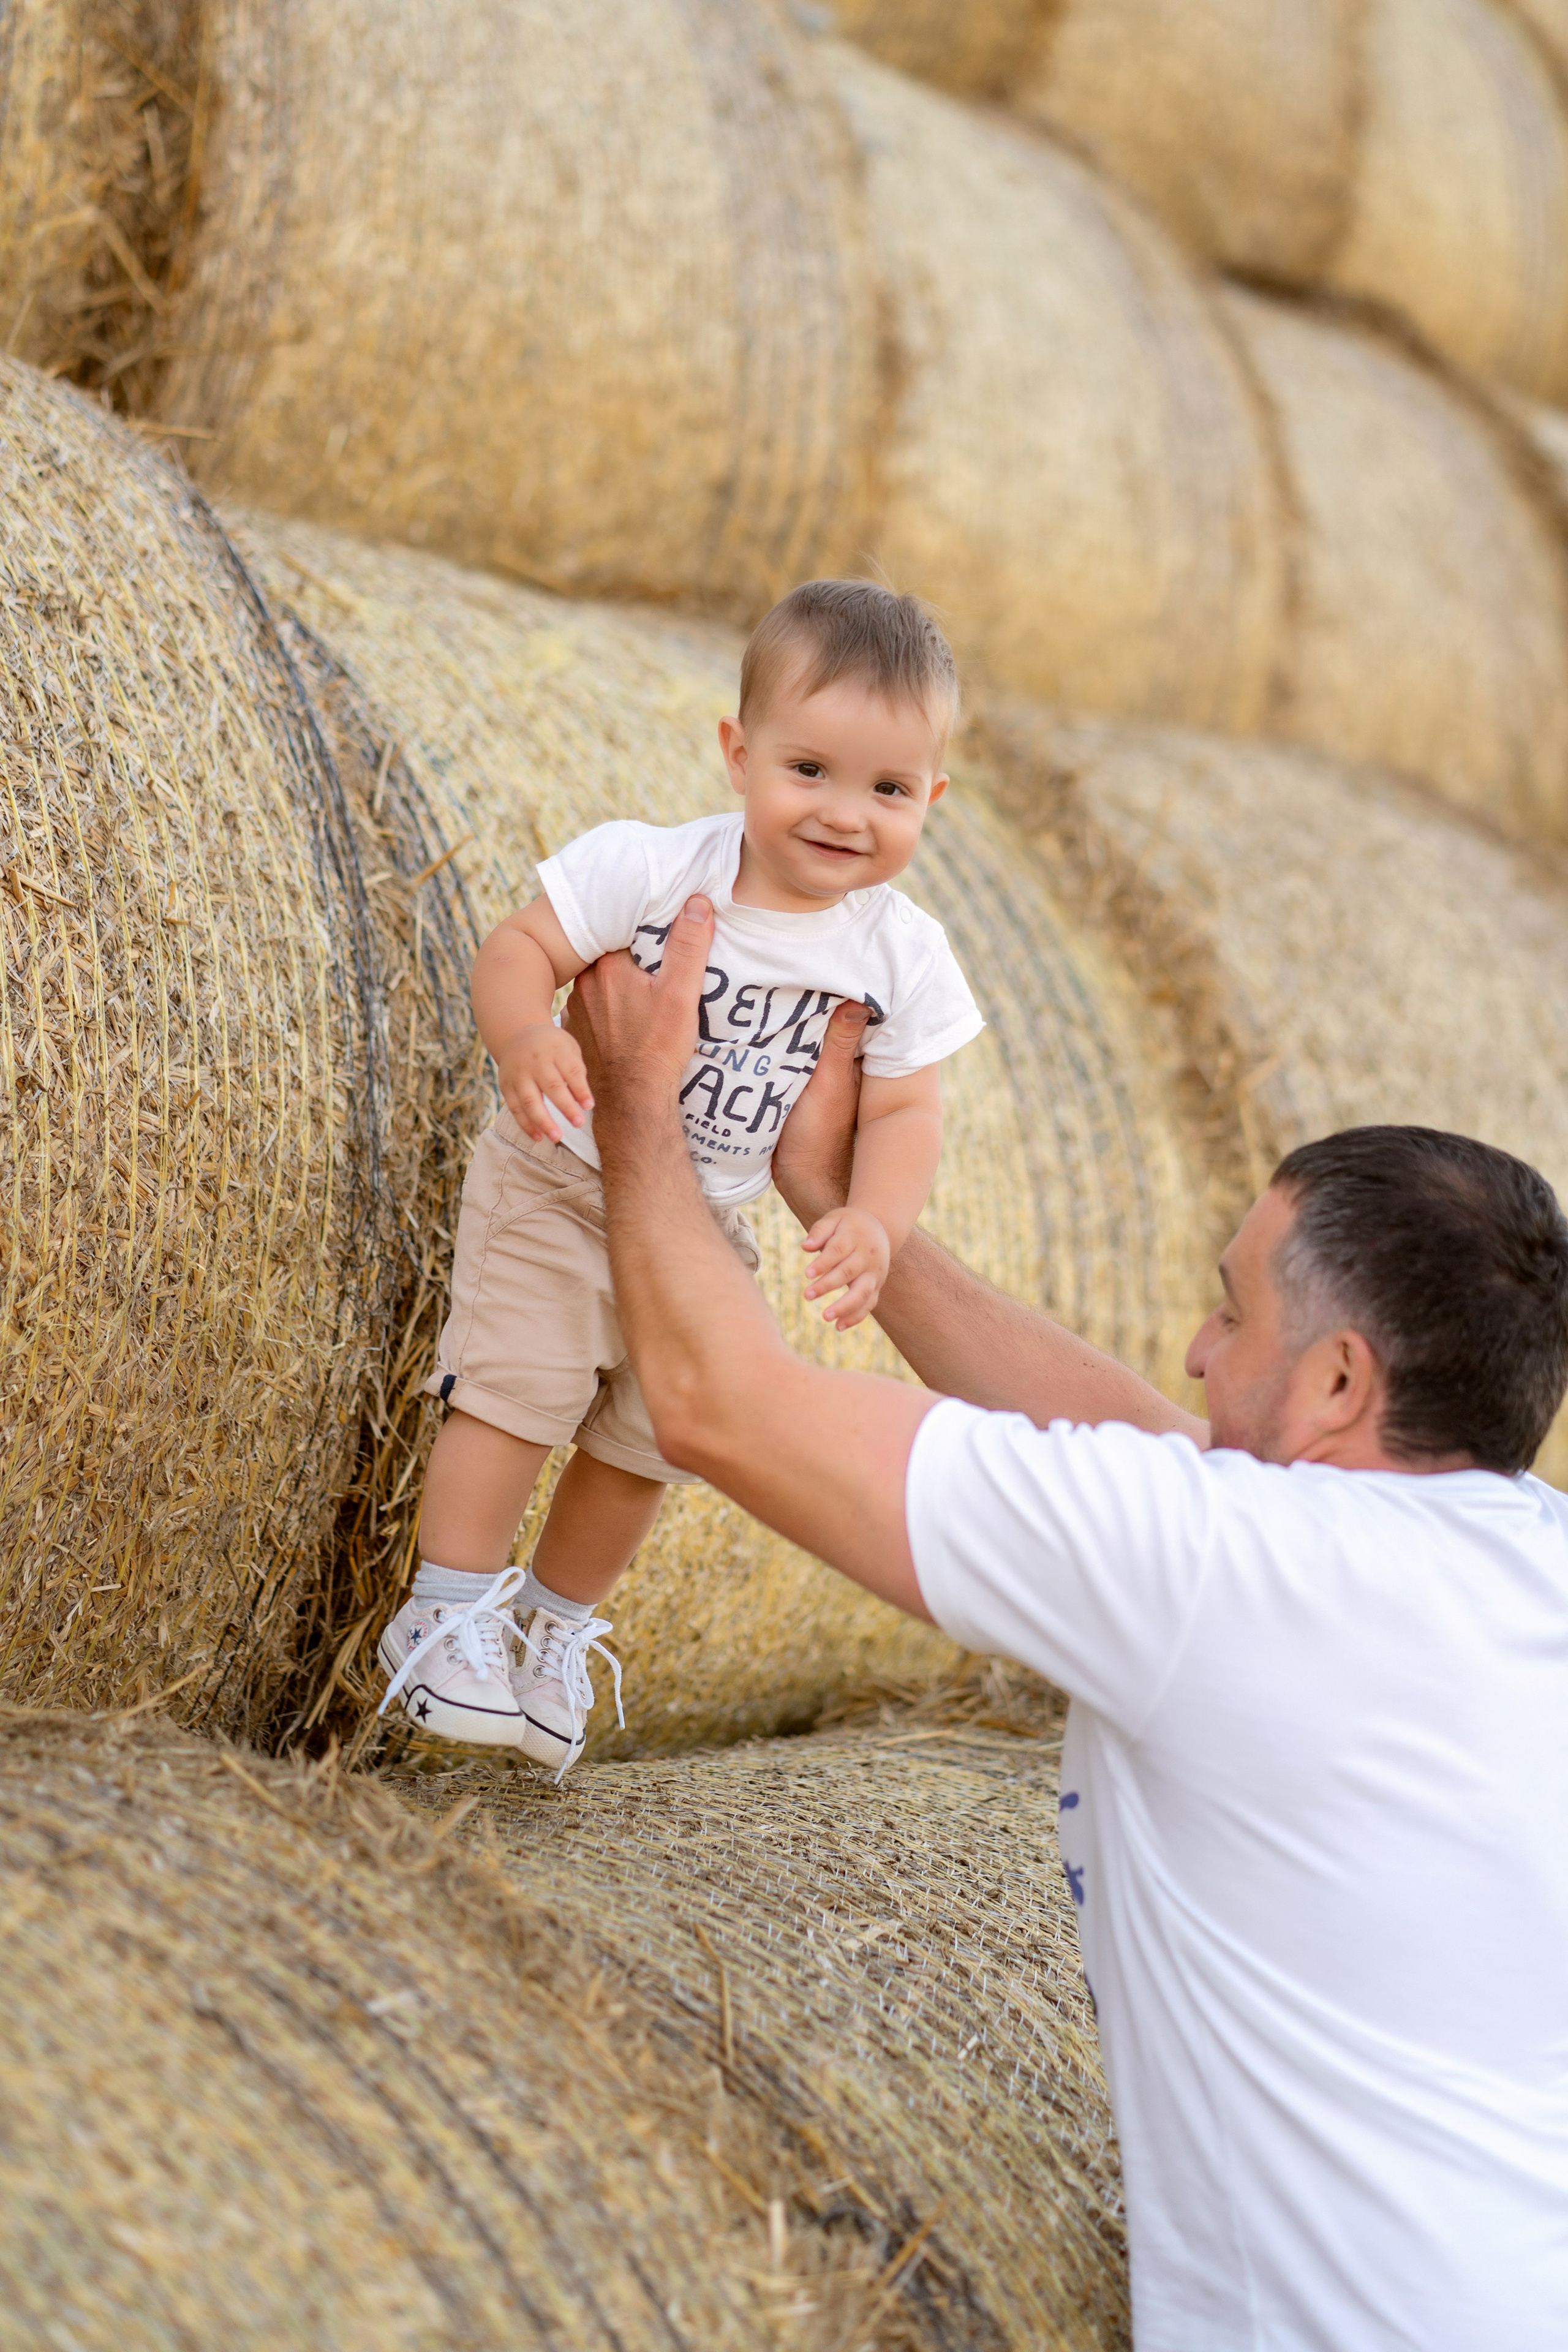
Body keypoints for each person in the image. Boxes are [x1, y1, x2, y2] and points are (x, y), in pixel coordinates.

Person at [562, 894, 1568, 2352]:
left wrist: (640, 1102)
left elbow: (718, 1405)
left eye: (1231, 1316)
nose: (1194, 1350)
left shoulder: (1232, 1577)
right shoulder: (1506, 1556)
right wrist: (853, 1225)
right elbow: (1146, 1448)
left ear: (1341, 1386)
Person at [379, 580, 983, 1768]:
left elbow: (907, 1105)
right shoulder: (649, 870)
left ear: (931, 799)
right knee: (521, 1388)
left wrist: (874, 1215)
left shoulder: (898, 951)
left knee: (650, 1438)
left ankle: (553, 1631)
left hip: (706, 1226)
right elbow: (517, 948)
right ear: (736, 751)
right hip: (565, 1185)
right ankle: (445, 1612)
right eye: (808, 770)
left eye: (888, 790)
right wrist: (526, 1036)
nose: (844, 813)